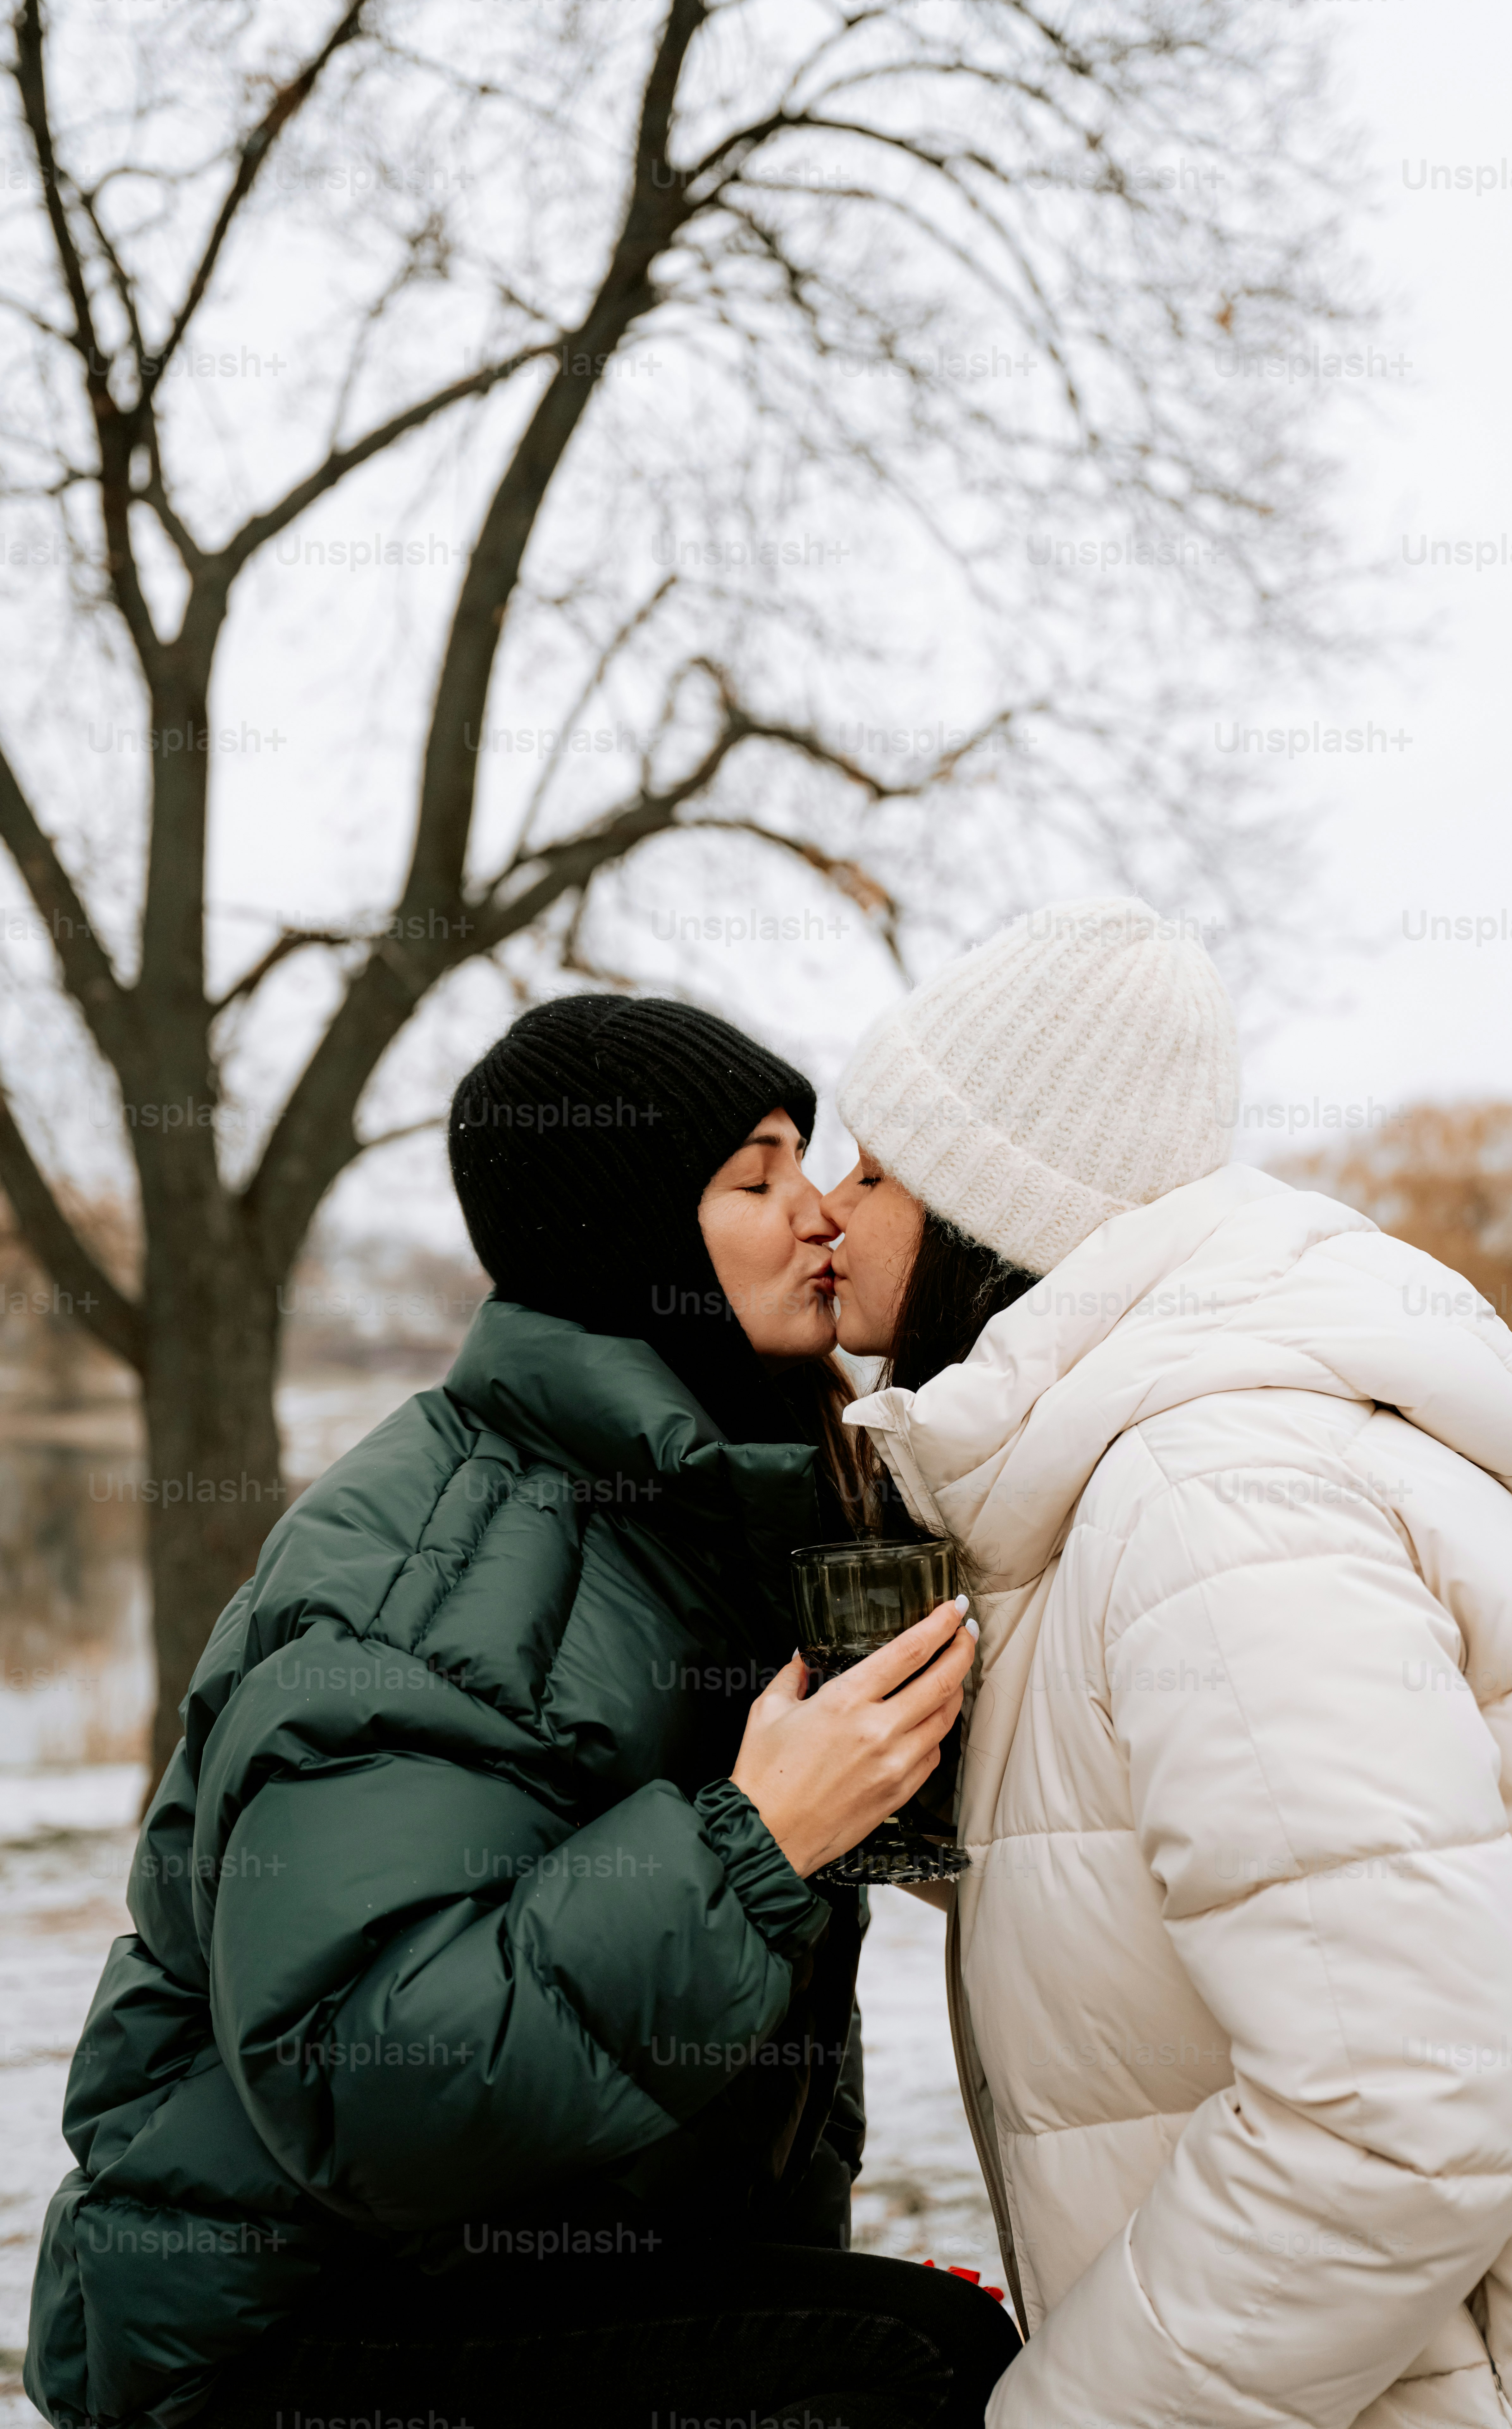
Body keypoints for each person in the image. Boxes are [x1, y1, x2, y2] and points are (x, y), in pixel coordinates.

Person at [27, 995, 1016, 2429]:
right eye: (755, 1177)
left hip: (485, 2273)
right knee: (909, 2369)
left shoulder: (696, 1512)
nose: (817, 1214)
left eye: (809, 1162)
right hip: (271, 2328)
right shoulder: (440, 1563)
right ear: (628, 1244)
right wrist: (753, 1846)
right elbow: (359, 2067)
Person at [820, 896, 1512, 2429]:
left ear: (998, 1204)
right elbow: (1152, 1870)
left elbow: (1406, 2111)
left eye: (873, 1166)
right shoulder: (1139, 1486)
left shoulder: (1214, 1501)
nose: (830, 1211)